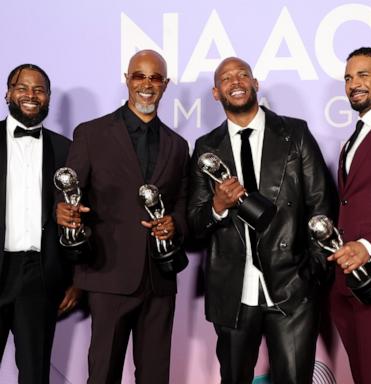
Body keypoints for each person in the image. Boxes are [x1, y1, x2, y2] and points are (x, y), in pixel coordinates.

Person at [188, 57, 335, 384]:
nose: (236, 81)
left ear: (255, 84)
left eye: (243, 75)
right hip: (233, 291)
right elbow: (194, 224)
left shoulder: (294, 133)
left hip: (292, 286)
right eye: (226, 78)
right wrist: (218, 205)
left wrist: (312, 272)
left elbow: (321, 203)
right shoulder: (205, 148)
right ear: (216, 92)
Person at [56, 50, 189, 384]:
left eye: (155, 77)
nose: (147, 84)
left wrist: (175, 222)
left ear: (165, 84)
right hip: (107, 275)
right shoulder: (91, 133)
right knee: (103, 374)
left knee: (156, 376)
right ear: (127, 79)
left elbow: (184, 203)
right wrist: (64, 211)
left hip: (159, 281)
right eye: (139, 76)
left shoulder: (178, 144)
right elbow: (69, 193)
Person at [0, 64, 78, 384]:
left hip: (40, 274)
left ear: (48, 98)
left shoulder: (66, 149)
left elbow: (77, 217)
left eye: (39, 89)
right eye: (22, 87)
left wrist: (75, 276)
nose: (31, 95)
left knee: (35, 374)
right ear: (8, 93)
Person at [327, 47, 371, 384]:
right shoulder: (353, 139)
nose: (353, 84)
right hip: (349, 284)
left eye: (363, 74)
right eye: (348, 77)